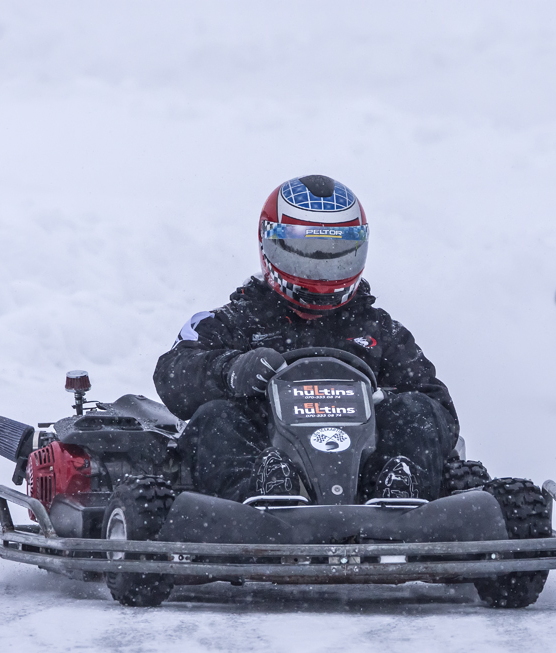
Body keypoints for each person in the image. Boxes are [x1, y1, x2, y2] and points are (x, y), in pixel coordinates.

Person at [153, 175, 458, 503]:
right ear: (270, 245)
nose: (320, 267)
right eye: (307, 252)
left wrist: (381, 399)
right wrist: (230, 370)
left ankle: (399, 496)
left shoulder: (378, 330)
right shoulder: (233, 322)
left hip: (366, 475)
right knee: (216, 417)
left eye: (335, 252)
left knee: (415, 410)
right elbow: (172, 377)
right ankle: (267, 498)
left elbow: (437, 410)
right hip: (264, 458)